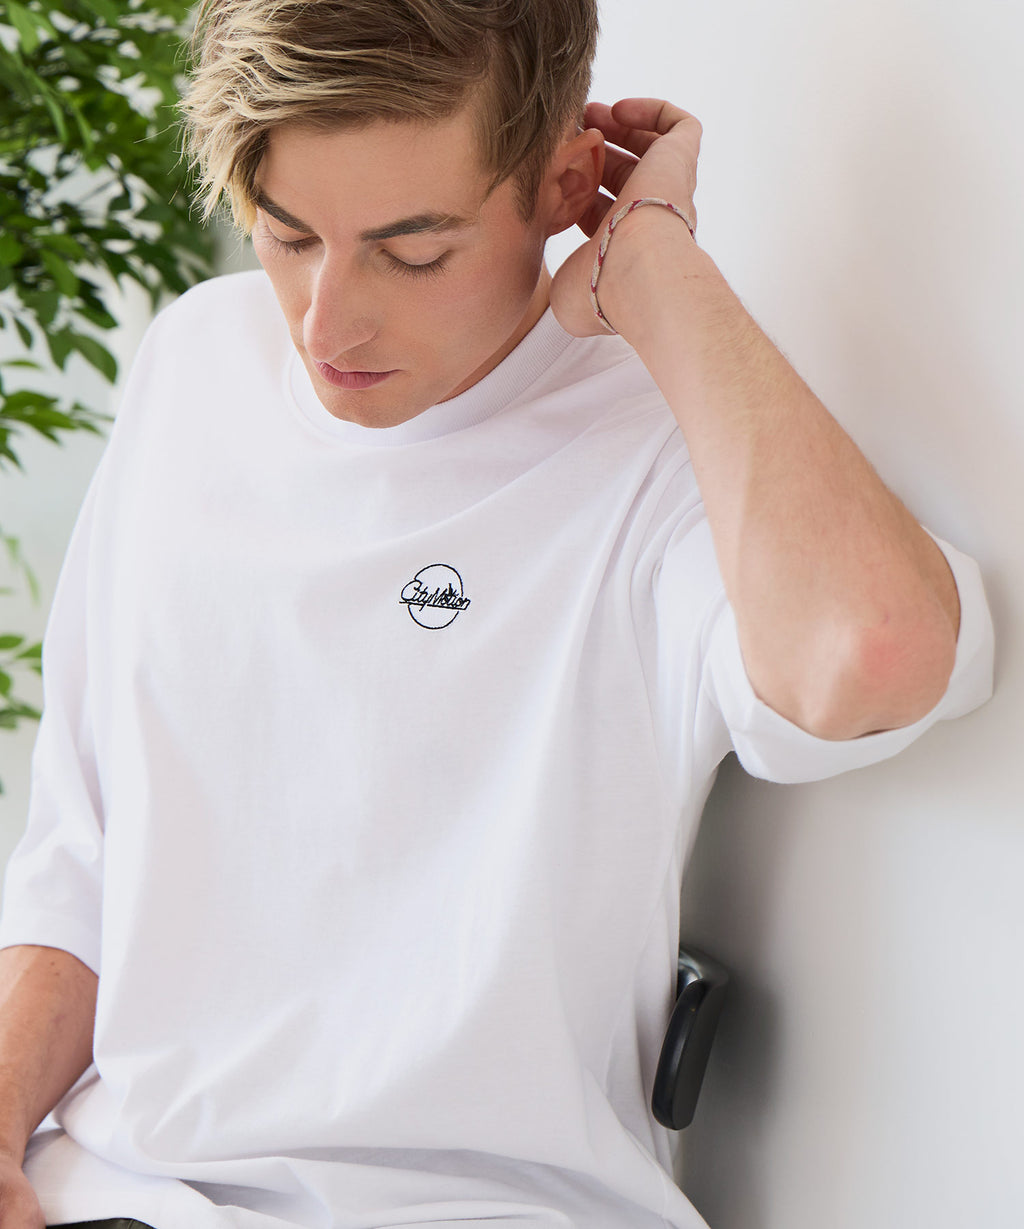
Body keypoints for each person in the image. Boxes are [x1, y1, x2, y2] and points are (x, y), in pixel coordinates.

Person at [0, 1, 994, 1227]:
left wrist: (656, 265)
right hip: (115, 1186)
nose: (325, 322)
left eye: (412, 251)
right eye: (289, 234)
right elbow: (79, 857)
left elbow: (869, 653)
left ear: (563, 184)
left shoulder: (664, 447)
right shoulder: (194, 362)